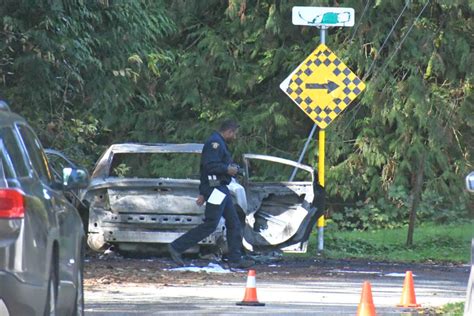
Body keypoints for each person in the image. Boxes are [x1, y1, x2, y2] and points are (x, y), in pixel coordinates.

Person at [168, 119, 253, 269]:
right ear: (229, 131)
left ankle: (235, 258)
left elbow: (208, 169)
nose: (235, 137)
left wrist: (203, 191)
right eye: (234, 134)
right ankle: (176, 247)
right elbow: (209, 166)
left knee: (234, 222)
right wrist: (227, 170)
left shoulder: (219, 143)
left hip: (221, 189)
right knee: (211, 224)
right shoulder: (215, 144)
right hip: (216, 190)